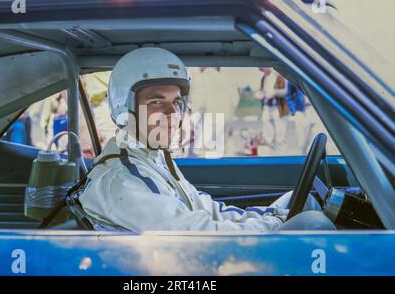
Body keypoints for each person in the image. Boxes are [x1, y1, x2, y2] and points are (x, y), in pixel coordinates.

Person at [79, 48, 333, 232]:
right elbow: (198, 234)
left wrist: (275, 216)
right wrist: (277, 225)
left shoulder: (151, 157)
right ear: (125, 106)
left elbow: (203, 209)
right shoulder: (122, 181)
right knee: (315, 226)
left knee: (301, 203)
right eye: (157, 101)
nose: (172, 113)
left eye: (177, 103)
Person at [254, 68, 289, 156]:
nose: (260, 70)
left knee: (280, 137)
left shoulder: (279, 76)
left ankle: (282, 158)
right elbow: (261, 90)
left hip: (278, 109)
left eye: (261, 68)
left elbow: (285, 92)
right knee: (268, 136)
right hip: (267, 108)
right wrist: (259, 94)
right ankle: (271, 157)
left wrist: (274, 93)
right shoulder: (263, 78)